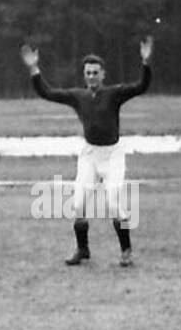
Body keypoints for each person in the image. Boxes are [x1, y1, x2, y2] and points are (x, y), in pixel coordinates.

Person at [20, 39, 153, 266]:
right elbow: (47, 92)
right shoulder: (77, 96)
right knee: (79, 203)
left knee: (113, 202)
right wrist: (34, 68)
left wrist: (146, 61)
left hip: (112, 156)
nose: (91, 76)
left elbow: (141, 86)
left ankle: (126, 251)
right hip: (90, 155)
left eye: (95, 72)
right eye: (87, 73)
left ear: (103, 75)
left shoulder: (115, 93)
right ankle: (82, 250)